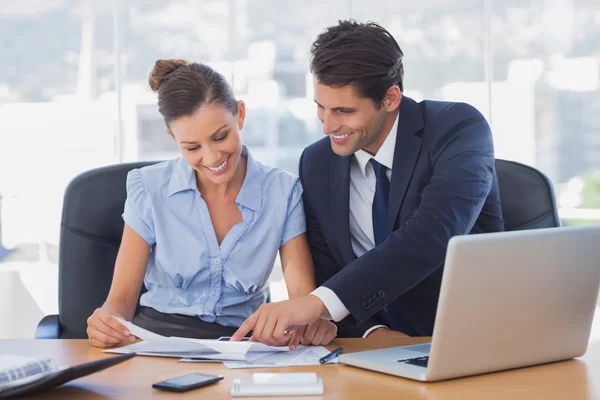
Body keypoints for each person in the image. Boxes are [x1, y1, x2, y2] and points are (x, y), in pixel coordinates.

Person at [232, 20, 504, 344]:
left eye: (344, 111)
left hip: (472, 339)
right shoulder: (317, 162)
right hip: (378, 351)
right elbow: (328, 268)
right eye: (321, 108)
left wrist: (318, 304)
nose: (328, 126)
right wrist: (375, 335)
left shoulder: (457, 128)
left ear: (390, 99)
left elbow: (432, 233)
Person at [86, 59, 337, 348]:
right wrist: (106, 323)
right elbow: (120, 302)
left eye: (221, 137)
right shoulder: (150, 188)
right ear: (173, 138)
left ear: (240, 115)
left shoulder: (283, 191)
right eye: (192, 147)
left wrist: (315, 324)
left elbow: (302, 300)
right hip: (156, 342)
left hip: (241, 346)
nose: (212, 157)